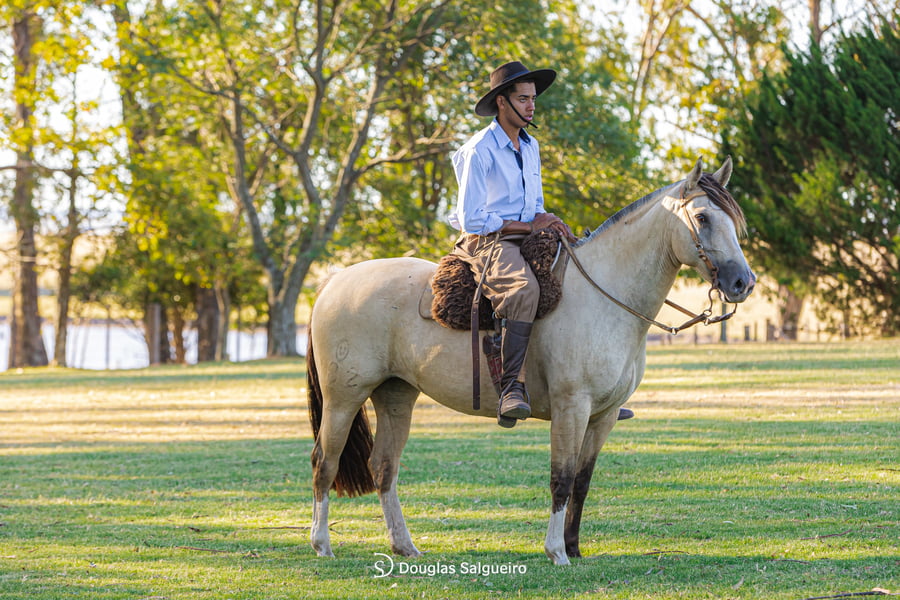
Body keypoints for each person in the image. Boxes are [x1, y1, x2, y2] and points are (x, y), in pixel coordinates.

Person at [449, 61, 577, 428]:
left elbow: (533, 205)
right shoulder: (480, 150)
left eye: (533, 99)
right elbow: (472, 216)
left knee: (579, 272)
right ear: (501, 103)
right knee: (522, 291)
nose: (531, 106)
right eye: (523, 99)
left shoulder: (531, 146)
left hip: (524, 231)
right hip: (486, 239)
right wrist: (525, 224)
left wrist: (548, 220)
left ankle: (587, 387)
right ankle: (511, 388)